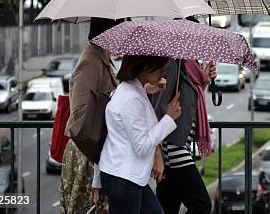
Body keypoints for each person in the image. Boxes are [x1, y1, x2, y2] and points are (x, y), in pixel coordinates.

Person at [92, 55, 182, 214]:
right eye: (159, 67)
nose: (163, 72)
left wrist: (149, 88)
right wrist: (169, 118)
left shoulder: (129, 90)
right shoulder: (131, 99)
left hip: (127, 177)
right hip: (124, 179)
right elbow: (142, 146)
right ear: (143, 67)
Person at [60, 18, 122, 214]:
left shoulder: (102, 59)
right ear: (108, 33)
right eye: (120, 29)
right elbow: (79, 116)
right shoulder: (90, 62)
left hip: (94, 152)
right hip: (86, 153)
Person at [151, 59, 217, 214]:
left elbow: (189, 103)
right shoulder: (173, 65)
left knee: (167, 208)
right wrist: (157, 152)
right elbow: (157, 110)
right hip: (173, 147)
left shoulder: (189, 67)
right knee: (202, 204)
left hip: (180, 145)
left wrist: (204, 80)